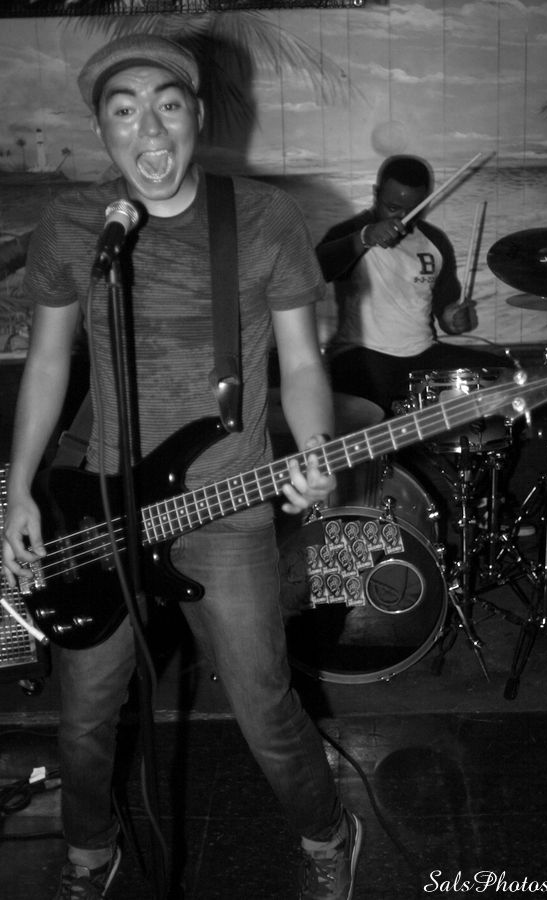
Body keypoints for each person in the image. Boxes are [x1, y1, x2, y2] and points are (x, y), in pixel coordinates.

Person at [1, 34, 362, 900]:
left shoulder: (263, 217)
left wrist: (314, 451)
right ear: (102, 129)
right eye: (125, 111)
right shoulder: (77, 225)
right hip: (99, 505)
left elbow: (302, 362)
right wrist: (19, 489)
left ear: (197, 114)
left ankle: (327, 831)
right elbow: (47, 362)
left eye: (168, 105)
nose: (150, 130)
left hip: (227, 504)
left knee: (264, 707)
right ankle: (90, 848)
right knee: (84, 717)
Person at [316, 154, 503, 416]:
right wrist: (366, 237)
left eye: (413, 210)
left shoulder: (435, 241)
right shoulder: (350, 233)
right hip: (361, 352)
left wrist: (454, 319)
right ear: (376, 194)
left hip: (423, 352)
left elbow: (446, 315)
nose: (403, 218)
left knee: (503, 374)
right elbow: (315, 270)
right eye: (393, 208)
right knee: (370, 395)